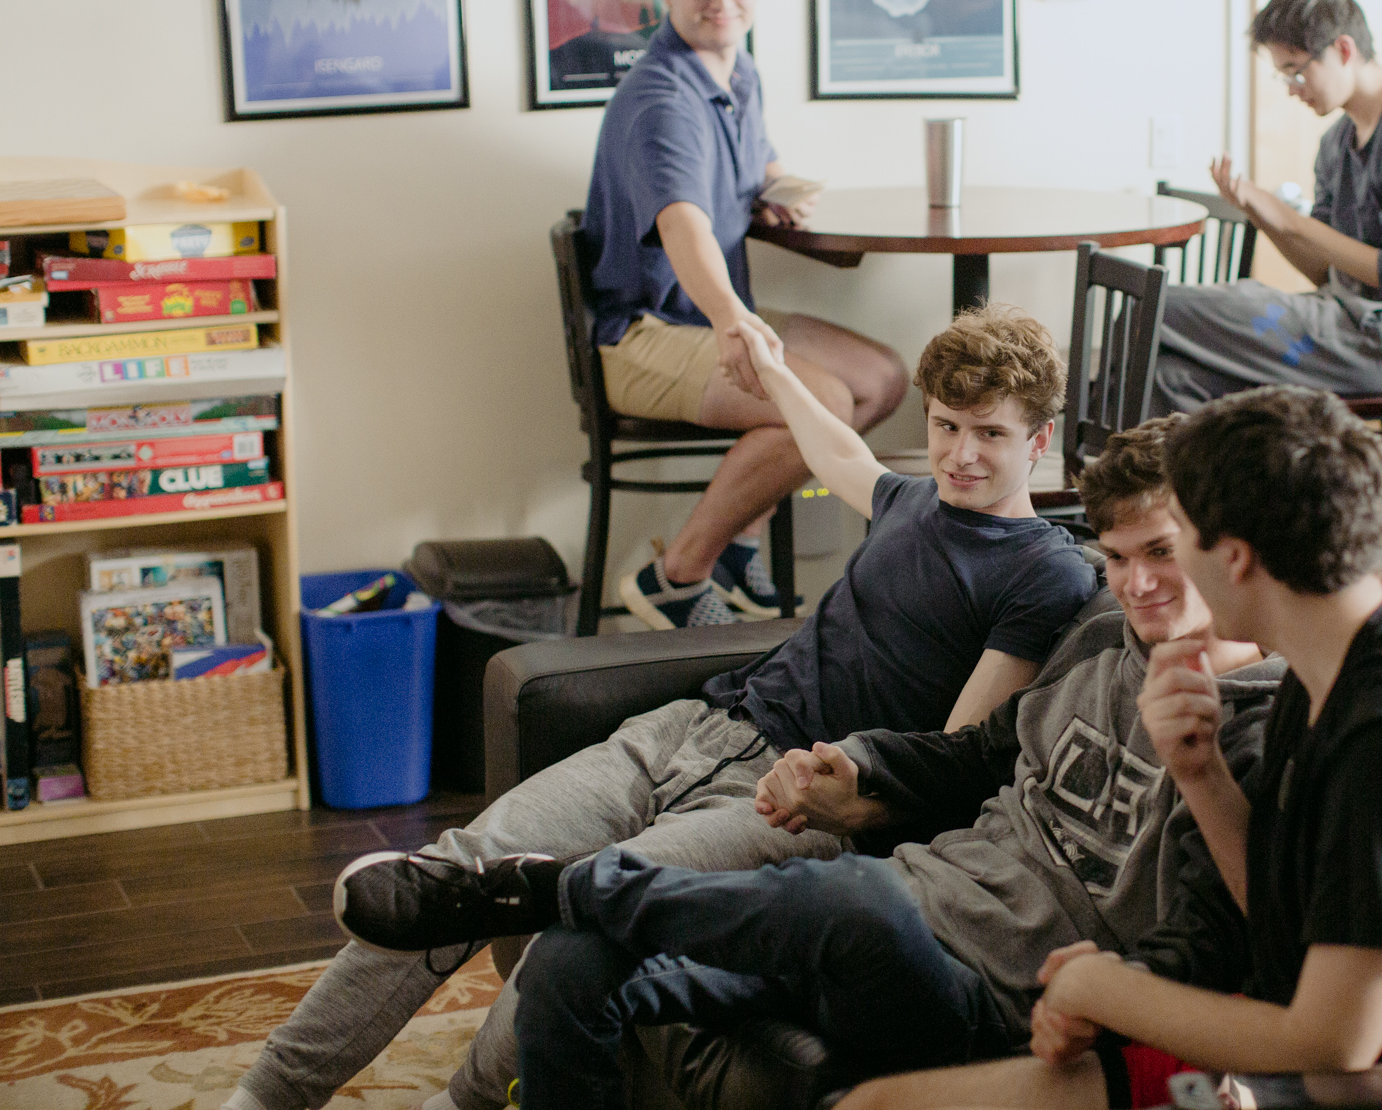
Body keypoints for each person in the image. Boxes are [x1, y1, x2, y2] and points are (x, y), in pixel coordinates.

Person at [221, 306, 1097, 1110]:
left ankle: (465, 1102)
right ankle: (266, 1095)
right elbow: (835, 449)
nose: (961, 455)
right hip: (692, 727)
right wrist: (772, 364)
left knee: (588, 904)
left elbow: (943, 753)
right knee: (457, 871)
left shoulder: (1042, 571)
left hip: (787, 801)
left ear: (1041, 439)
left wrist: (845, 788)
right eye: (946, 427)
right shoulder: (910, 499)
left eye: (991, 434)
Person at [330, 416, 1285, 1110]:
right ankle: (570, 908)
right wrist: (860, 771)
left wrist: (1102, 1003)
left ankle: (549, 888)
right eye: (1116, 558)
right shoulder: (1100, 640)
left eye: (1159, 550)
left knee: (851, 903)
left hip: (985, 990)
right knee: (577, 966)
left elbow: (1218, 945)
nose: (1136, 583)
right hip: (919, 892)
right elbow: (972, 759)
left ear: (1227, 545)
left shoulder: (1260, 729)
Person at [842, 387, 1382, 1110]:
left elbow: (1339, 1041)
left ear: (1234, 557)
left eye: (1178, 537)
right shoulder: (1333, 664)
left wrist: (1110, 989)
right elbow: (1272, 922)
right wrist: (1201, 771)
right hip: (1277, 1064)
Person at [583, 0, 909, 627]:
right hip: (642, 335)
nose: (721, 0)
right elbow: (683, 225)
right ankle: (677, 573)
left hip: (697, 314)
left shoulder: (736, 72)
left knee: (882, 378)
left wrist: (768, 190)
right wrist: (736, 322)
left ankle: (739, 542)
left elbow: (751, 159)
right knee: (821, 402)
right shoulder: (663, 98)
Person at [1148, 0, 1382, 412]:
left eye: (1296, 71)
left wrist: (1289, 219)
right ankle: (1175, 481)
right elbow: (1324, 272)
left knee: (1153, 303)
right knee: (1166, 377)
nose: (1291, 88)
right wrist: (1261, 213)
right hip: (1337, 321)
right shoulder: (1336, 142)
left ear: (1343, 50)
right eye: (1283, 75)